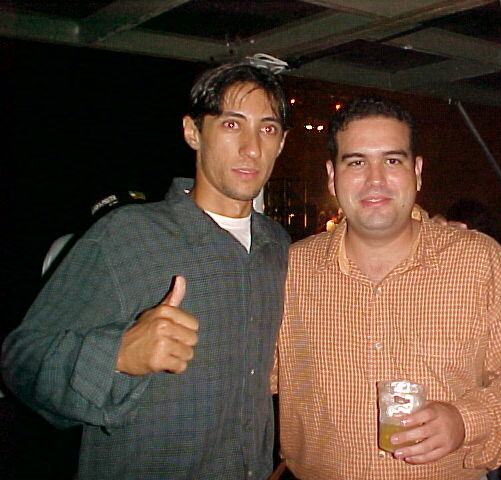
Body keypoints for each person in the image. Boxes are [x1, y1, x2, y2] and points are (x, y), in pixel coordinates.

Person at [2, 61, 291, 479]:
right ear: (193, 132)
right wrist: (116, 356)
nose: (251, 148)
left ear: (281, 143)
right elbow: (21, 362)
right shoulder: (126, 236)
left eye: (268, 129)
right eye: (232, 125)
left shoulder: (276, 245)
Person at [274, 95, 501, 479]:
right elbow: (245, 371)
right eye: (356, 162)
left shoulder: (477, 263)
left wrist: (465, 421)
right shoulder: (289, 271)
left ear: (418, 171)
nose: (375, 179)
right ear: (332, 176)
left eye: (392, 161)